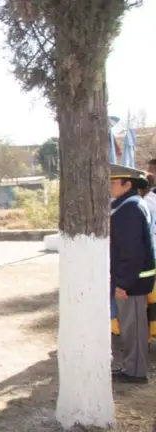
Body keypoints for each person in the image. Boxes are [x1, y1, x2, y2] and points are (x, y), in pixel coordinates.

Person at [109, 164, 152, 384]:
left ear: (128, 185)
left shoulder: (130, 209)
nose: (110, 187)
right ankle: (131, 367)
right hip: (134, 278)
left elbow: (131, 251)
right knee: (130, 325)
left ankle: (135, 371)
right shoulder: (131, 204)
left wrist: (123, 283)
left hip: (133, 281)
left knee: (133, 327)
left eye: (114, 183)